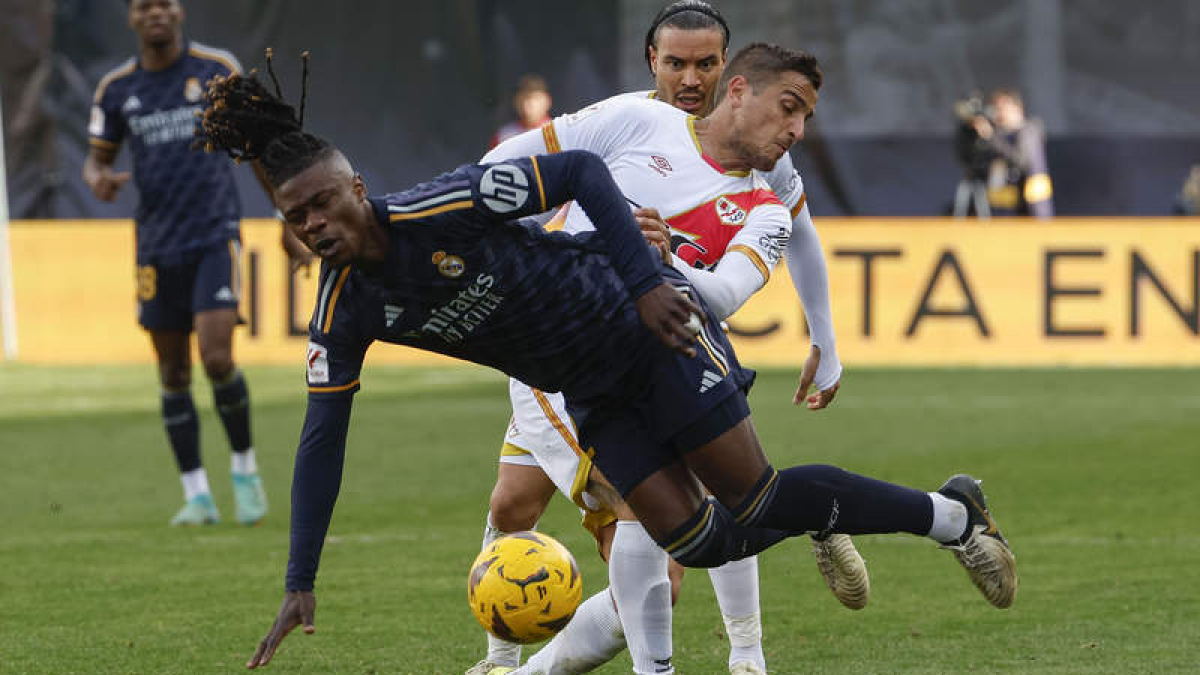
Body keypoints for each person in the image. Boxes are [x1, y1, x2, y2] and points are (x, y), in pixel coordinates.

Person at [205, 48, 1020, 674]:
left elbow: (580, 172)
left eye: (322, 201)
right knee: (700, 541)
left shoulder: (445, 206)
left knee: (757, 493)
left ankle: (954, 515)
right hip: (586, 387)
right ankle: (827, 514)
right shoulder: (341, 312)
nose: (313, 224)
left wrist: (645, 283)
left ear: (355, 187)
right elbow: (321, 438)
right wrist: (300, 578)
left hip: (643, 328)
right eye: (295, 216)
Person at [470, 6, 857, 675]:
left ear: (729, 69)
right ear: (652, 60)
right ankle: (502, 660)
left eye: (706, 63)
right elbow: (505, 167)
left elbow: (800, 234)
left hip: (665, 347)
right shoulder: (627, 120)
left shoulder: (761, 149)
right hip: (569, 346)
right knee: (526, 504)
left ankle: (746, 654)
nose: (690, 78)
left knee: (656, 519)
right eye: (676, 63)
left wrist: (825, 337)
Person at [83, 0, 270, 526]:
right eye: (144, 6)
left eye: (163, 3)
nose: (155, 13)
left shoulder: (216, 69)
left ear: (179, 11)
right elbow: (96, 161)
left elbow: (257, 146)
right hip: (155, 246)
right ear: (131, 18)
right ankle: (197, 496)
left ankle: (245, 473)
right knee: (172, 371)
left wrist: (286, 216)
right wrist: (98, 179)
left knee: (217, 358)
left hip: (214, 235)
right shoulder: (116, 89)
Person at [978, 88, 1054, 219]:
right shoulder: (1000, 135)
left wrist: (992, 138)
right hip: (1006, 209)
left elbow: (1021, 160)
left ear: (1018, 109)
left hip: (1032, 208)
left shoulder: (1029, 131)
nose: (1000, 113)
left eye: (1003, 108)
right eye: (997, 109)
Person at [490, 74, 553, 149]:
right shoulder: (504, 136)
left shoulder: (558, 131)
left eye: (535, 98)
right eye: (522, 98)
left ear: (547, 101)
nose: (527, 104)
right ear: (515, 102)